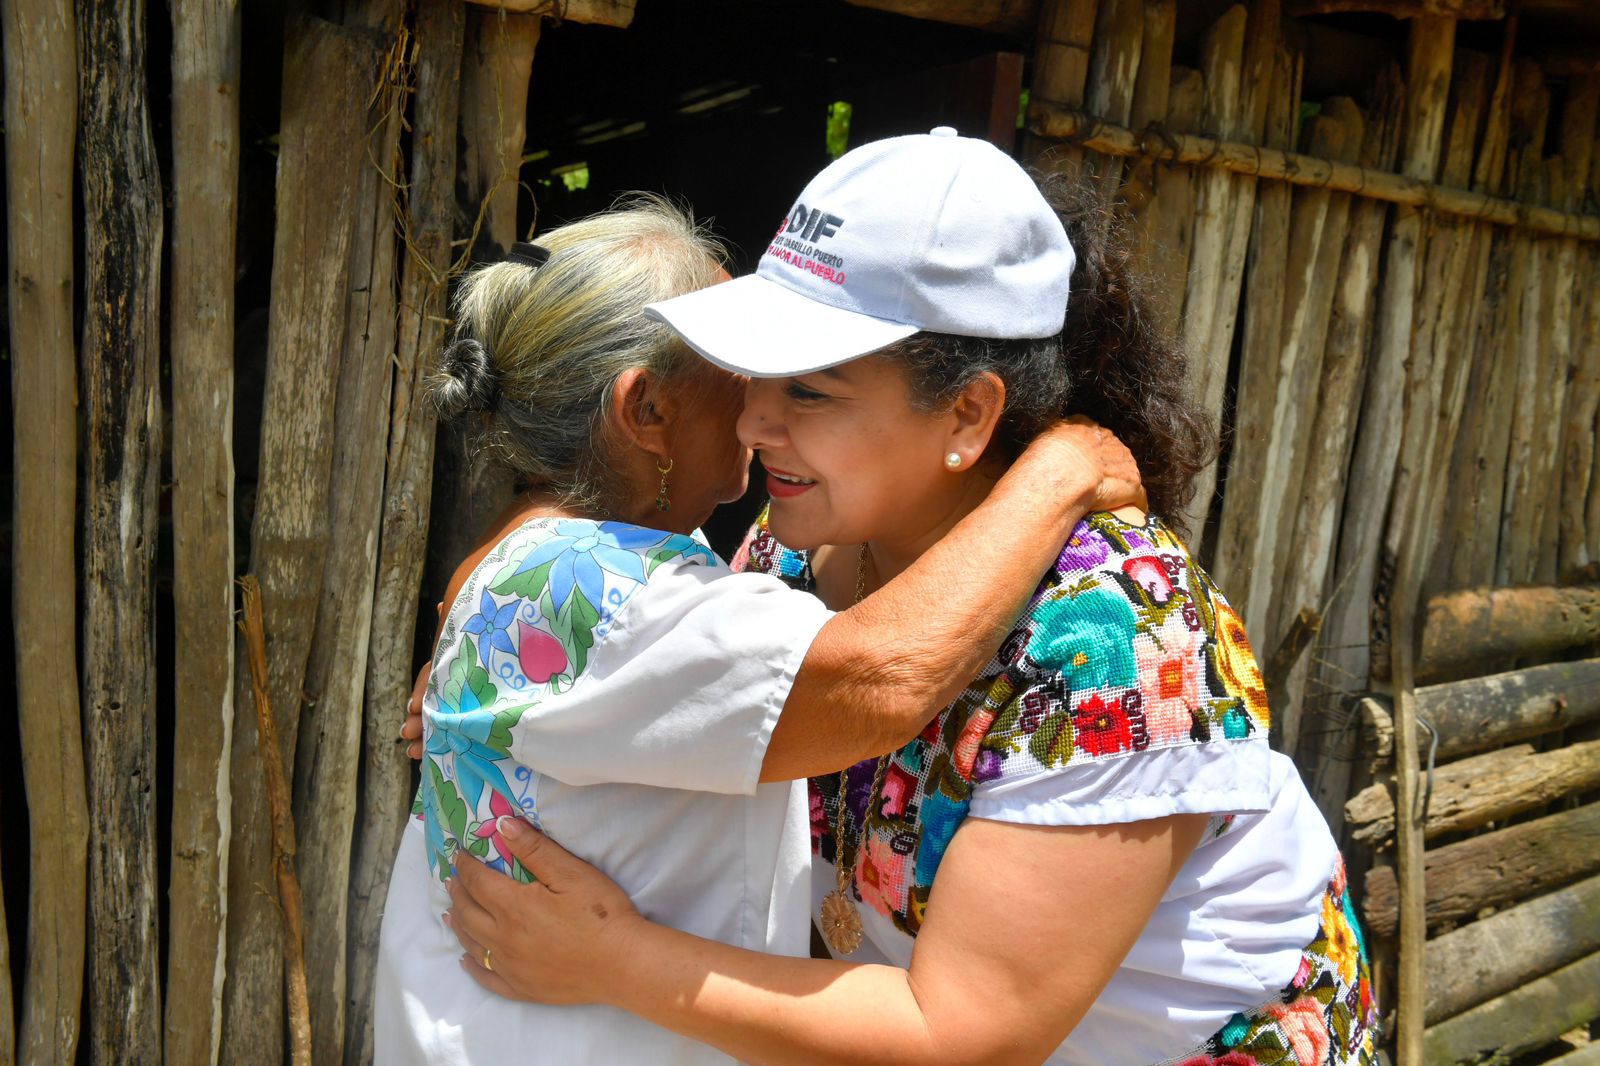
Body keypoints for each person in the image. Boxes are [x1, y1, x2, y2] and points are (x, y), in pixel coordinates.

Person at [440, 130, 1380, 1066]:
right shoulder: (796, 549)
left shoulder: (1119, 631)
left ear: (968, 414)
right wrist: (503, 613)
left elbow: (965, 1031)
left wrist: (614, 960)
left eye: (808, 390)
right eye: (759, 376)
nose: (755, 419)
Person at [375, 194, 1144, 1064]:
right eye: (738, 367)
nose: (754, 413)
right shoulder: (591, 592)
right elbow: (878, 682)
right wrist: (1056, 477)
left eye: (802, 385)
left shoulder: (568, 568)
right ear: (647, 411)